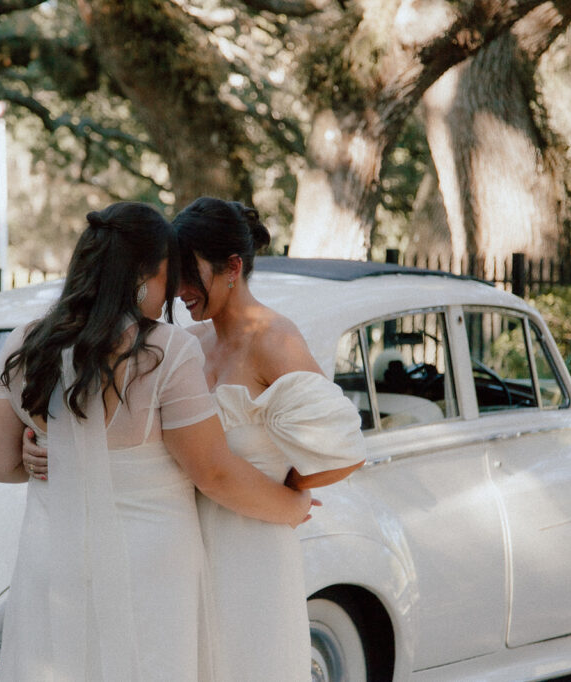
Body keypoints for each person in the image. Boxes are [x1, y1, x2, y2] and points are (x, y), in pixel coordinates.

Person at [0, 201, 312, 682]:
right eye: (165, 278)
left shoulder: (26, 342)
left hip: (54, 562)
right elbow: (213, 472)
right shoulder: (166, 351)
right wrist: (290, 506)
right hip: (148, 572)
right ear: (141, 275)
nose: (170, 295)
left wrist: (37, 457)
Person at [171, 197, 367, 682]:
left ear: (232, 267)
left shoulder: (274, 340)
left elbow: (343, 447)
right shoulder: (191, 344)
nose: (179, 291)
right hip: (181, 552)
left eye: (188, 274)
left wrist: (290, 489)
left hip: (252, 554)